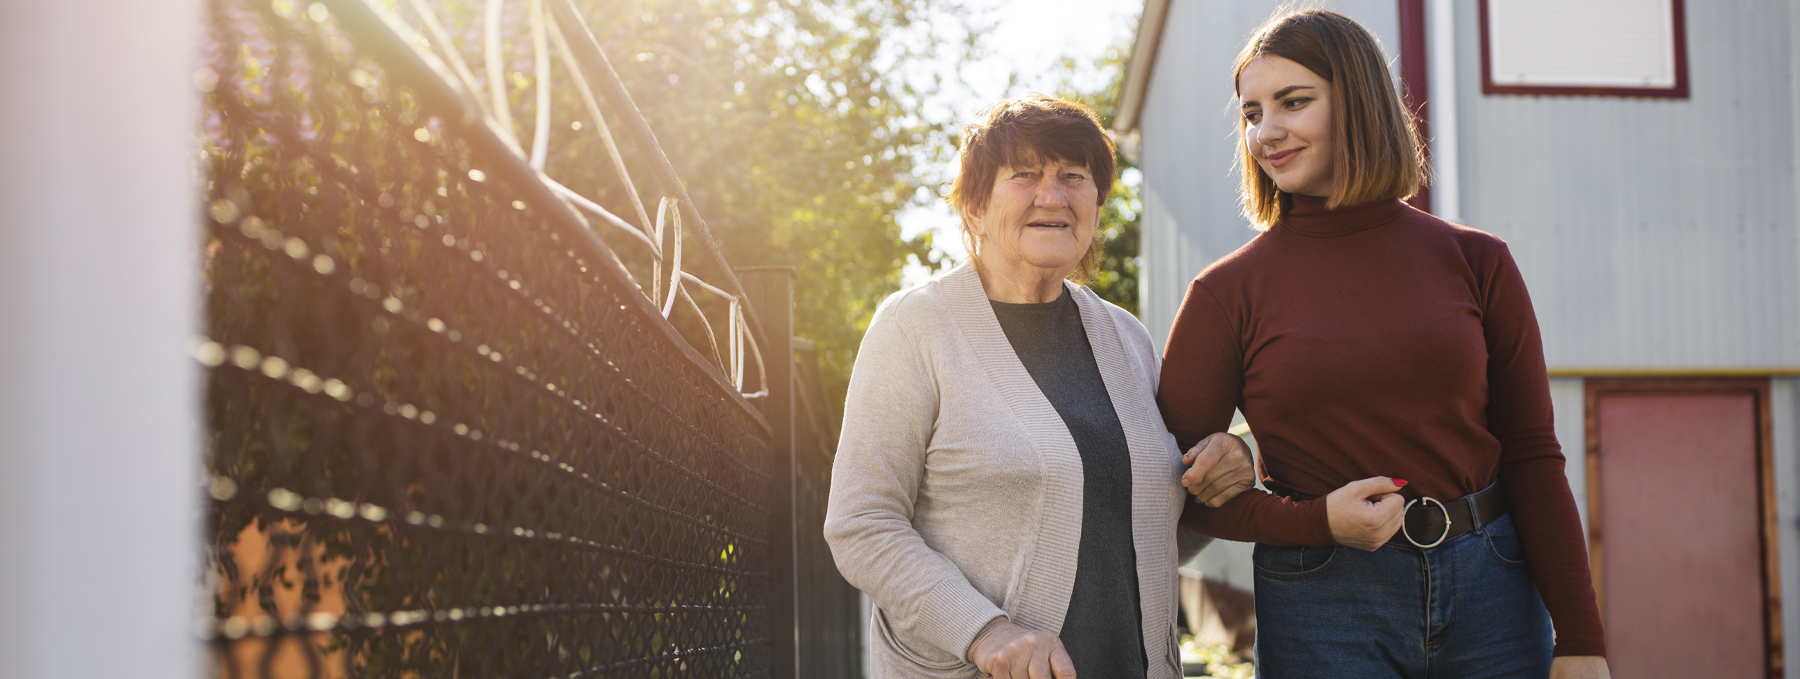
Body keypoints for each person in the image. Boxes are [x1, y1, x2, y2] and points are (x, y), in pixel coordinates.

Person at [1156, 9, 1610, 678]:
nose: (1266, 131)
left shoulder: (1477, 260)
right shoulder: (1227, 291)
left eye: (1293, 102)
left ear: (1360, 101)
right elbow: (1170, 488)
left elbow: (1534, 456)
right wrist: (1312, 521)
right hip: (1323, 596)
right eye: (1251, 113)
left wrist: (1580, 636)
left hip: (1494, 587)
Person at [824, 93, 1257, 679]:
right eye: (1023, 174)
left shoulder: (1125, 337)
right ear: (974, 206)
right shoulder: (914, 327)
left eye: (1073, 177)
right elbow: (863, 524)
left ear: (1098, 203)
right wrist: (984, 631)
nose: (1052, 196)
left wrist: (1229, 461)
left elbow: (1142, 522)